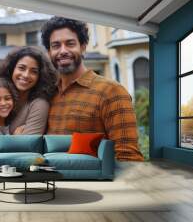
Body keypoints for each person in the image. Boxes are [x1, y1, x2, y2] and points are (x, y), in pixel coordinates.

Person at [41, 16, 144, 161]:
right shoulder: (48, 95)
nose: (62, 51)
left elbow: (128, 157)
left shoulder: (111, 91)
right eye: (56, 45)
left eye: (70, 44)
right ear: (49, 52)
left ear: (83, 47)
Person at [0, 46, 57, 135]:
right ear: (11, 69)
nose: (26, 75)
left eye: (34, 71)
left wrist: (13, 139)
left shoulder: (39, 104)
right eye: (21, 68)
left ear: (40, 76)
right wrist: (14, 137)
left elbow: (29, 145)